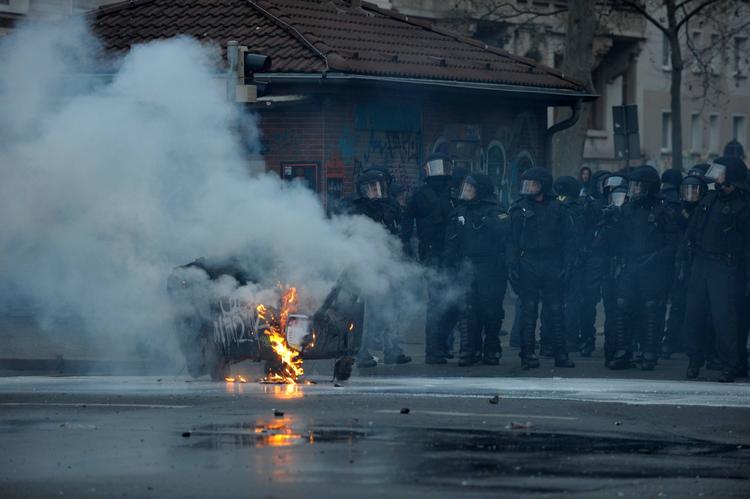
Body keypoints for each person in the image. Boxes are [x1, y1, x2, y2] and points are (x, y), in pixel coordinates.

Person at [683, 157, 750, 382]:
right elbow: (692, 230)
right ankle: (694, 360)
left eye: (721, 172)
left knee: (725, 319)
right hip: (701, 262)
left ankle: (730, 365)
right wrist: (683, 260)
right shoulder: (710, 198)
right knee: (694, 314)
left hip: (726, 266)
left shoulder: (743, 205)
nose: (717, 175)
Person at [607, 166, 681, 371]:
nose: (635, 189)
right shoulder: (628, 209)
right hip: (630, 264)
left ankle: (649, 353)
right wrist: (611, 223)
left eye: (639, 186)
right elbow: (618, 238)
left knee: (650, 309)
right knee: (622, 306)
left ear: (649, 188)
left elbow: (672, 243)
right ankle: (623, 351)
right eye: (633, 185)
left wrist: (655, 258)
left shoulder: (662, 211)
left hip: (652, 267)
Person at [508, 167, 576, 369]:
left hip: (552, 262)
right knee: (528, 310)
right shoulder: (518, 209)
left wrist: (568, 264)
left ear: (544, 186)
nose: (528, 188)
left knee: (556, 310)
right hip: (527, 261)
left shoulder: (559, 209)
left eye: (533, 184)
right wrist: (511, 265)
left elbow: (569, 240)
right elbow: (511, 241)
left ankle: (560, 354)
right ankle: (527, 354)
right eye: (526, 184)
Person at [348, 169, 411, 368]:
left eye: (378, 187)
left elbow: (402, 233)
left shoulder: (392, 206)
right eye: (371, 188)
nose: (375, 192)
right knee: (366, 313)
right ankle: (361, 352)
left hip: (389, 264)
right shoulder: (356, 209)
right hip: (367, 267)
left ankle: (392, 349)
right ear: (363, 190)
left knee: (391, 308)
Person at [445, 173, 509, 366]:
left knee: (491, 310)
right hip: (466, 265)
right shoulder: (459, 212)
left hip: (491, 267)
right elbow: (451, 240)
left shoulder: (495, 210)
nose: (467, 193)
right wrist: (449, 264)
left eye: (471, 189)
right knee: (467, 309)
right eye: (466, 189)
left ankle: (491, 348)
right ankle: (468, 349)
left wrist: (485, 220)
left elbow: (505, 232)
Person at [402, 153, 458, 364]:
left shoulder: (452, 193)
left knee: (454, 303)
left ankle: (442, 345)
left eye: (444, 166)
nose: (441, 171)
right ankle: (433, 350)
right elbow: (407, 219)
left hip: (451, 253)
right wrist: (406, 244)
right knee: (437, 303)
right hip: (433, 253)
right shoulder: (421, 195)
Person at [553, 176, 586, 351]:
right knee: (573, 300)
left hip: (552, 260)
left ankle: (550, 340)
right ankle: (570, 339)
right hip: (573, 260)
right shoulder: (577, 208)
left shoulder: (552, 205)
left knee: (553, 301)